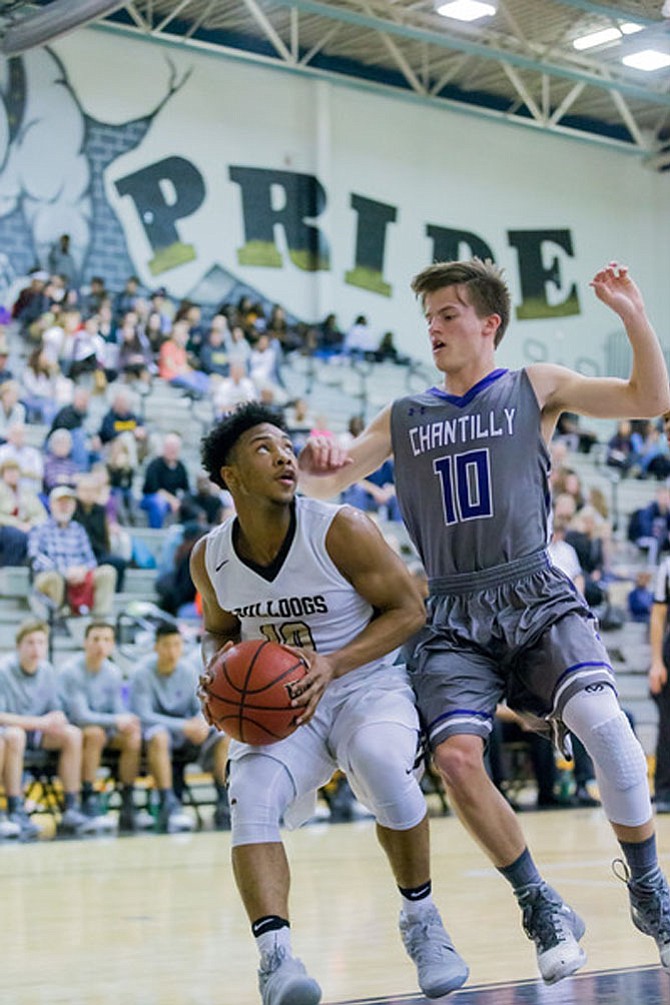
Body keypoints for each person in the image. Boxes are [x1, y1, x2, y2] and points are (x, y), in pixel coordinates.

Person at [298, 259, 670, 981]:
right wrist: (312, 463)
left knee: (607, 726)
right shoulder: (403, 415)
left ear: (487, 322)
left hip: (532, 586)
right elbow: (327, 484)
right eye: (428, 317)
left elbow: (651, 396)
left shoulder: (535, 385)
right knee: (457, 758)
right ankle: (541, 903)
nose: (433, 328)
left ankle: (652, 890)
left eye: (447, 314)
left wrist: (633, 316)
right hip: (450, 605)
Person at [190, 402, 469, 1005]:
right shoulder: (209, 555)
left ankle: (422, 921)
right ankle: (276, 959)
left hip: (363, 686)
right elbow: (218, 628)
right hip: (283, 705)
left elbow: (409, 610)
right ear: (230, 475)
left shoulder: (339, 527)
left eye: (287, 446)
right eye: (264, 448)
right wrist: (214, 667)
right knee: (250, 796)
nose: (285, 456)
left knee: (377, 760)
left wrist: (334, 663)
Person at [129, 621, 230, 833]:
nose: (172, 651)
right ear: (156, 647)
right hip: (157, 740)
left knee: (223, 737)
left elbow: (200, 707)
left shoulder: (189, 670)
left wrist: (200, 724)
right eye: (167, 645)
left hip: (189, 738)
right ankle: (169, 804)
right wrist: (184, 726)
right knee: (159, 736)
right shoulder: (141, 673)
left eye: (177, 645)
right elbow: (144, 715)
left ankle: (224, 802)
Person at [0, 619, 97, 836]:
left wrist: (58, 717)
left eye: (41, 643)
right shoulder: (4, 671)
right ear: (19, 646)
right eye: (30, 643)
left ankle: (71, 807)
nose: (36, 648)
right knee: (15, 735)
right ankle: (15, 808)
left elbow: (56, 708)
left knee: (72, 734)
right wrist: (40, 723)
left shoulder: (47, 670)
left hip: (36, 733)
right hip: (8, 732)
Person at [59, 621, 141, 832]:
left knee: (133, 736)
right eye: (96, 639)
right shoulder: (71, 671)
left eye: (106, 640)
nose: (100, 645)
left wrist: (127, 719)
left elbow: (117, 709)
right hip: (75, 731)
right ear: (85, 642)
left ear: (113, 645)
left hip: (104, 730)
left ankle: (128, 800)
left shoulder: (113, 672)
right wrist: (116, 720)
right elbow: (80, 716)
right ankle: (88, 796)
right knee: (95, 734)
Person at [28, 485, 117, 618]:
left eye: (68, 503)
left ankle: (99, 620)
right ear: (51, 505)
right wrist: (64, 572)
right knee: (53, 578)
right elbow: (35, 558)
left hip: (80, 575)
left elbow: (91, 559)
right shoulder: (40, 528)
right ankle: (57, 618)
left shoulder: (79, 529)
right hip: (51, 576)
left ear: (74, 506)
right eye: (60, 502)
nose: (64, 506)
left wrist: (82, 570)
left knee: (107, 572)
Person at [648, 555, 670, 814]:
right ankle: (664, 791)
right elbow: (658, 616)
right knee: (667, 726)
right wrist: (656, 662)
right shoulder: (667, 566)